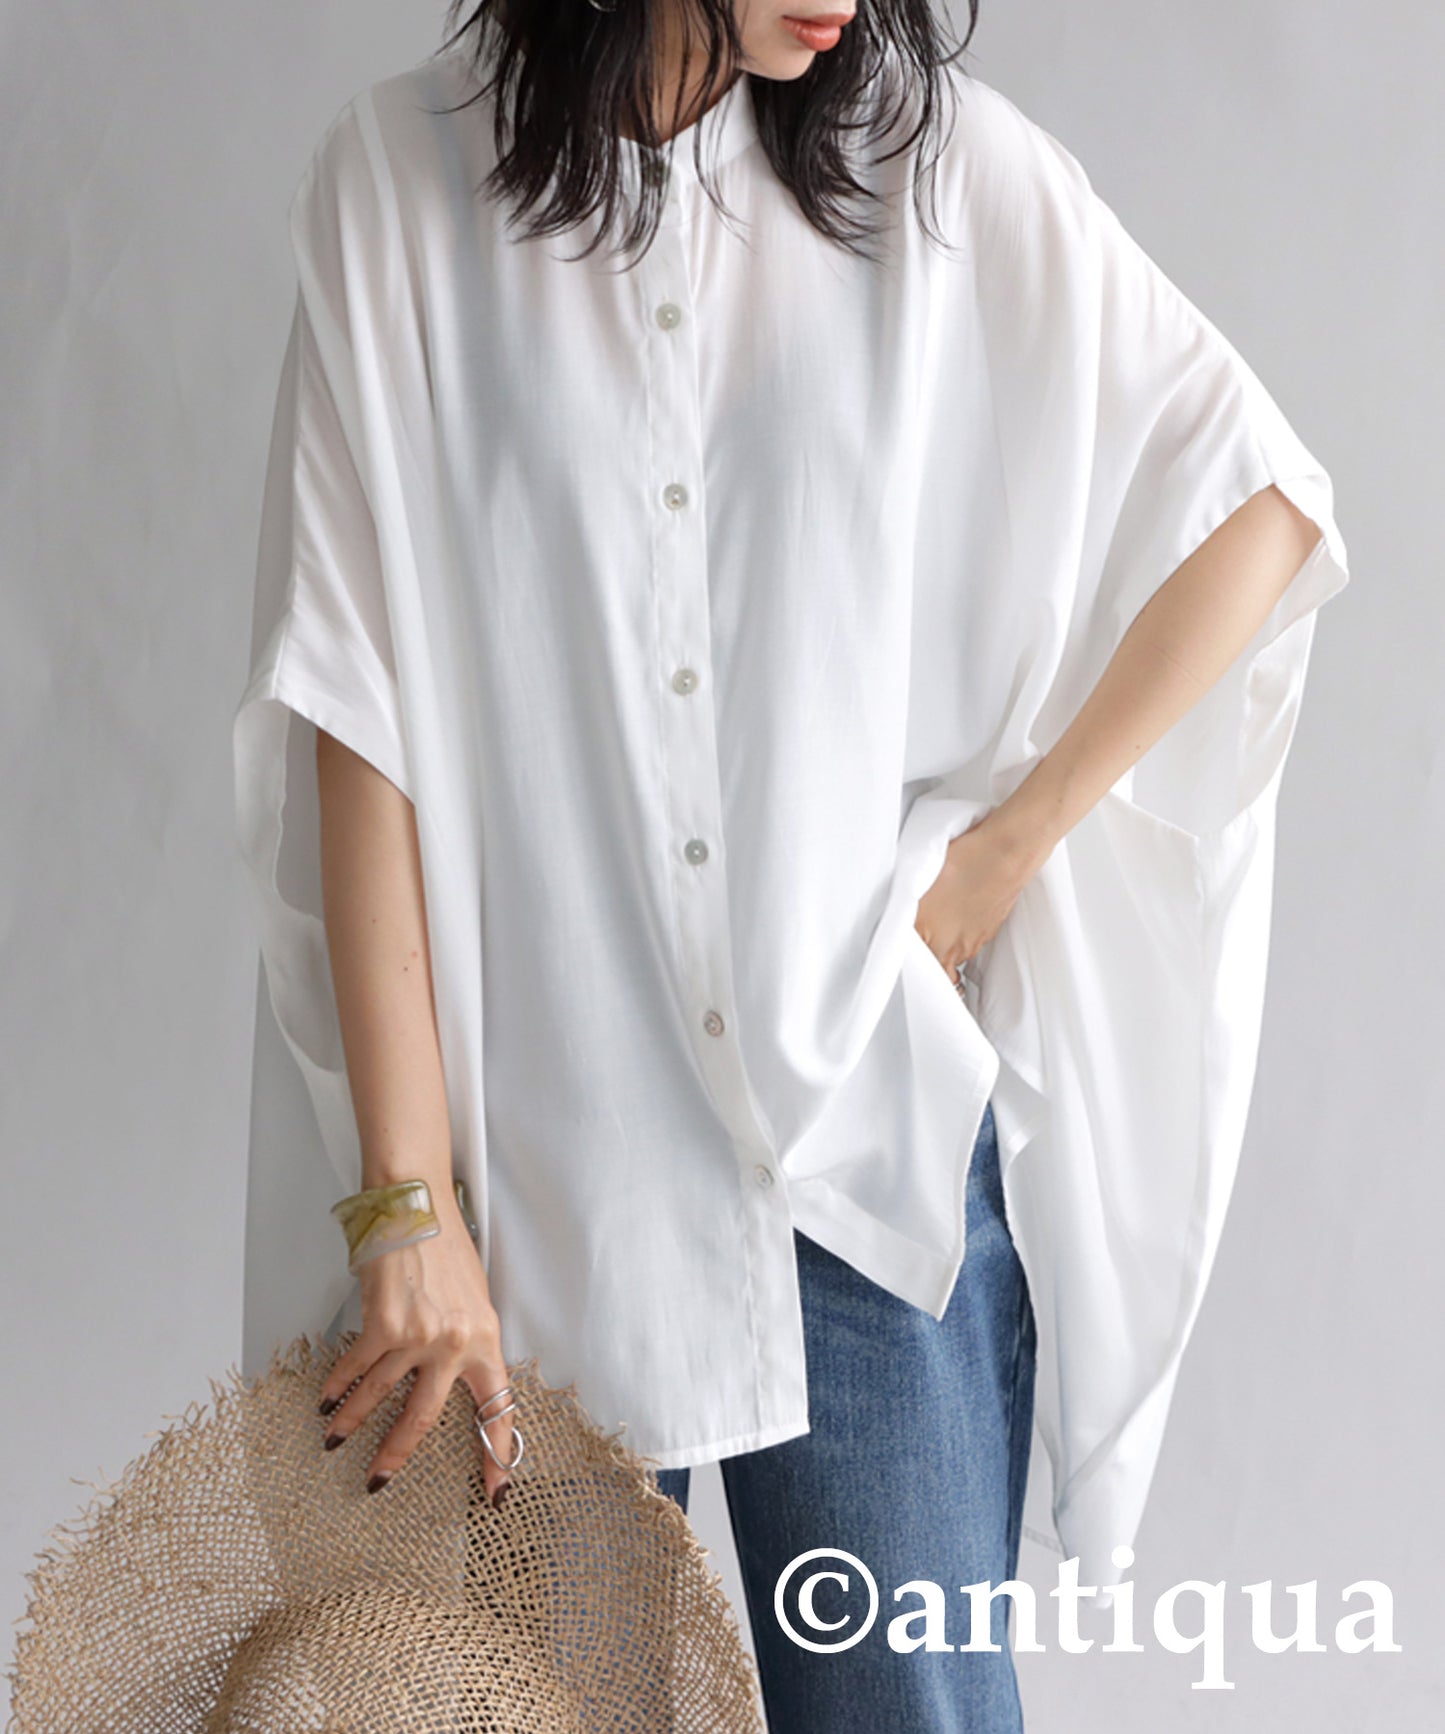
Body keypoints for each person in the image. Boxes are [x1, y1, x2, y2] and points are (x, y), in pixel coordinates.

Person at [232, 3, 1348, 1728]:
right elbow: (353, 711)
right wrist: (409, 1204)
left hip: (861, 1171)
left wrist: (1004, 851)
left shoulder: (931, 170)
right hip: (541, 1206)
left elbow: (1256, 500)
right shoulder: (395, 180)